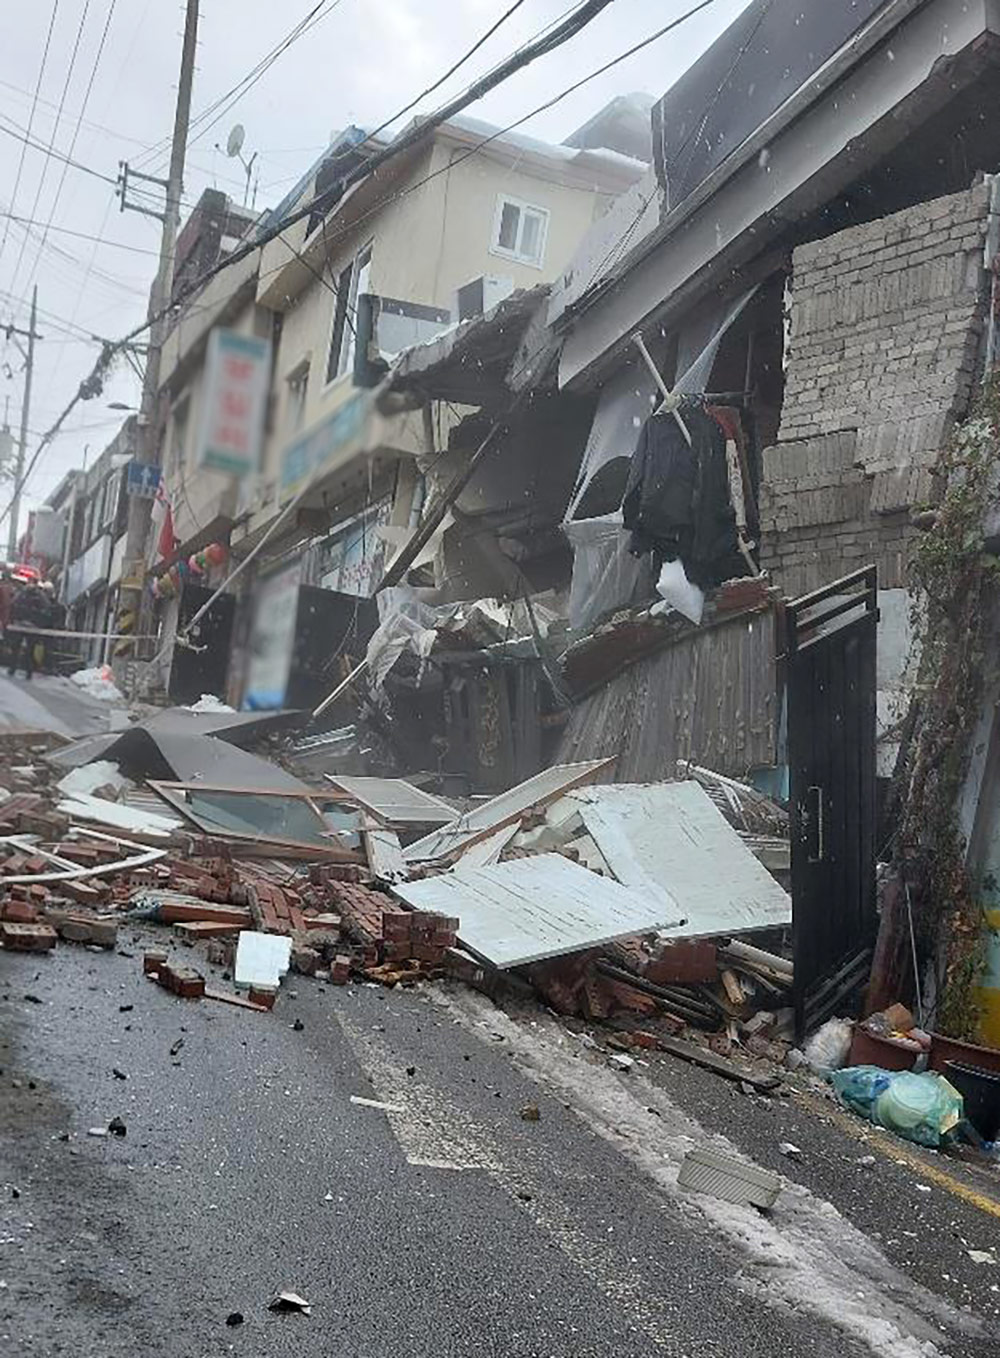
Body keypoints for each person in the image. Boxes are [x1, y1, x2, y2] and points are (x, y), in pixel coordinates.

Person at [7, 582, 50, 680]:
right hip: (27, 626)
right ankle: (23, 670)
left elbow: (13, 605)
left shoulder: (24, 595)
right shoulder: (36, 596)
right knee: (24, 649)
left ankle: (19, 669)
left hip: (25, 626)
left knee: (23, 649)